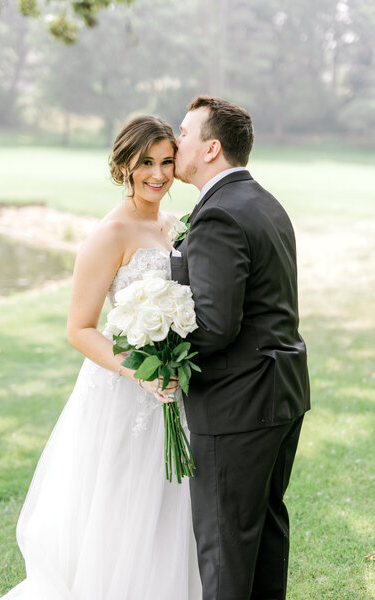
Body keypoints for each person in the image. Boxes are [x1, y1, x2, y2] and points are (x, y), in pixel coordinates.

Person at [0, 115, 201, 600]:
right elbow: (79, 328)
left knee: (170, 505)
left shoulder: (175, 226)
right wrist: (141, 373)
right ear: (124, 165)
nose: (158, 174)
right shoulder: (108, 235)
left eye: (167, 162)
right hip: (125, 391)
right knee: (122, 504)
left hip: (174, 388)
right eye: (146, 162)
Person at [171, 96, 310, 600]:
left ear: (211, 148)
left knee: (225, 549)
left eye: (183, 132)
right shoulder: (263, 201)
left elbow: (215, 324)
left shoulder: (220, 215)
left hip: (238, 403)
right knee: (263, 535)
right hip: (281, 393)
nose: (174, 139)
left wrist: (162, 348)